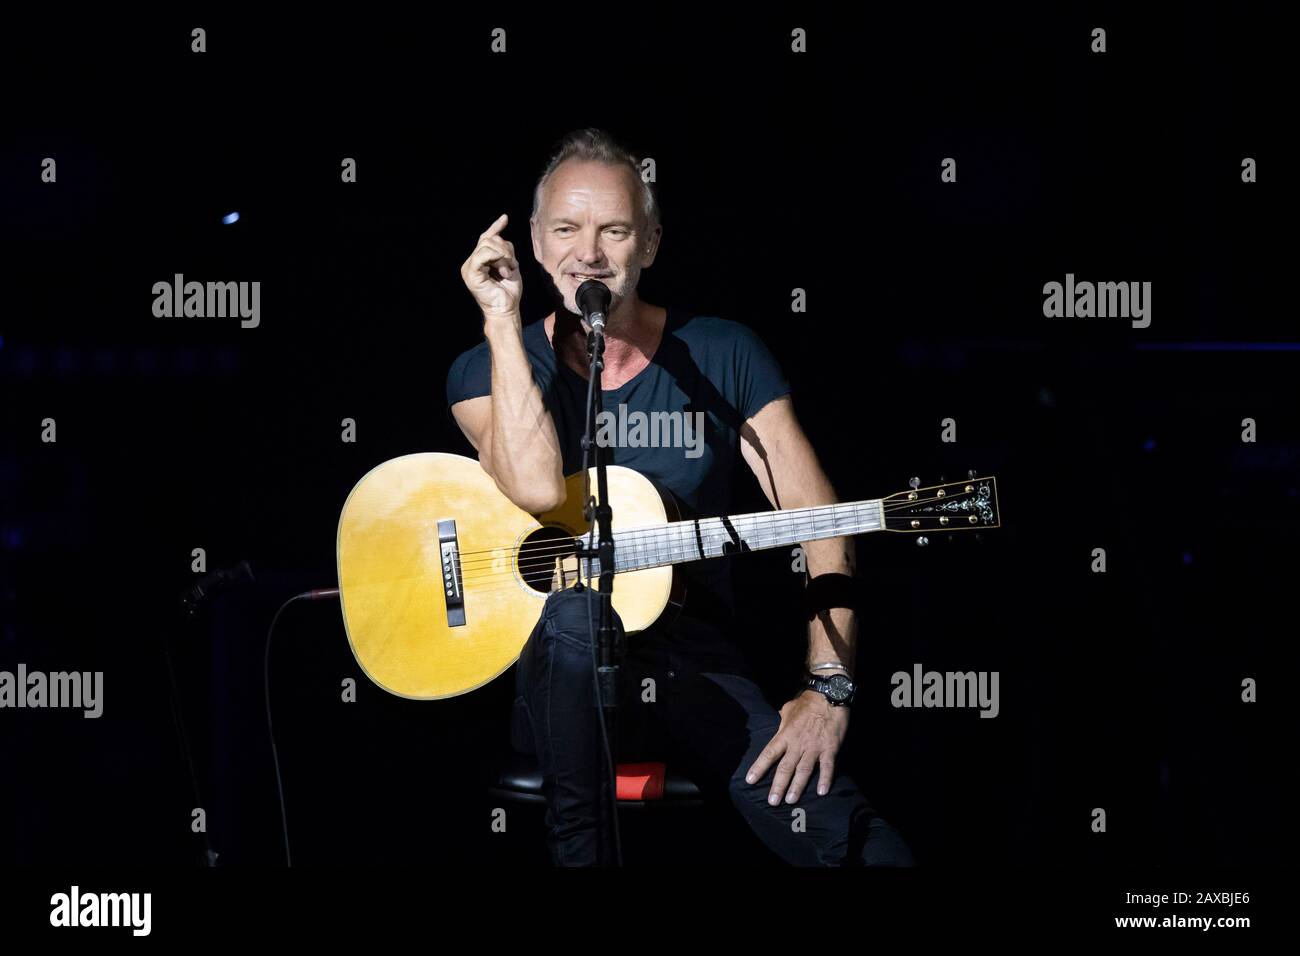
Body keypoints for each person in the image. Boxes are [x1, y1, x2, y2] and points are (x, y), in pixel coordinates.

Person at [447, 128, 914, 867]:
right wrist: (502, 321)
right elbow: (537, 489)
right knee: (575, 610)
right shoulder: (484, 368)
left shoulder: (725, 353)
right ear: (535, 243)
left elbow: (823, 525)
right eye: (566, 229)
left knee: (851, 844)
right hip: (557, 679)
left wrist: (829, 690)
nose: (588, 252)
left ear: (652, 243)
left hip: (690, 661)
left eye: (615, 230)